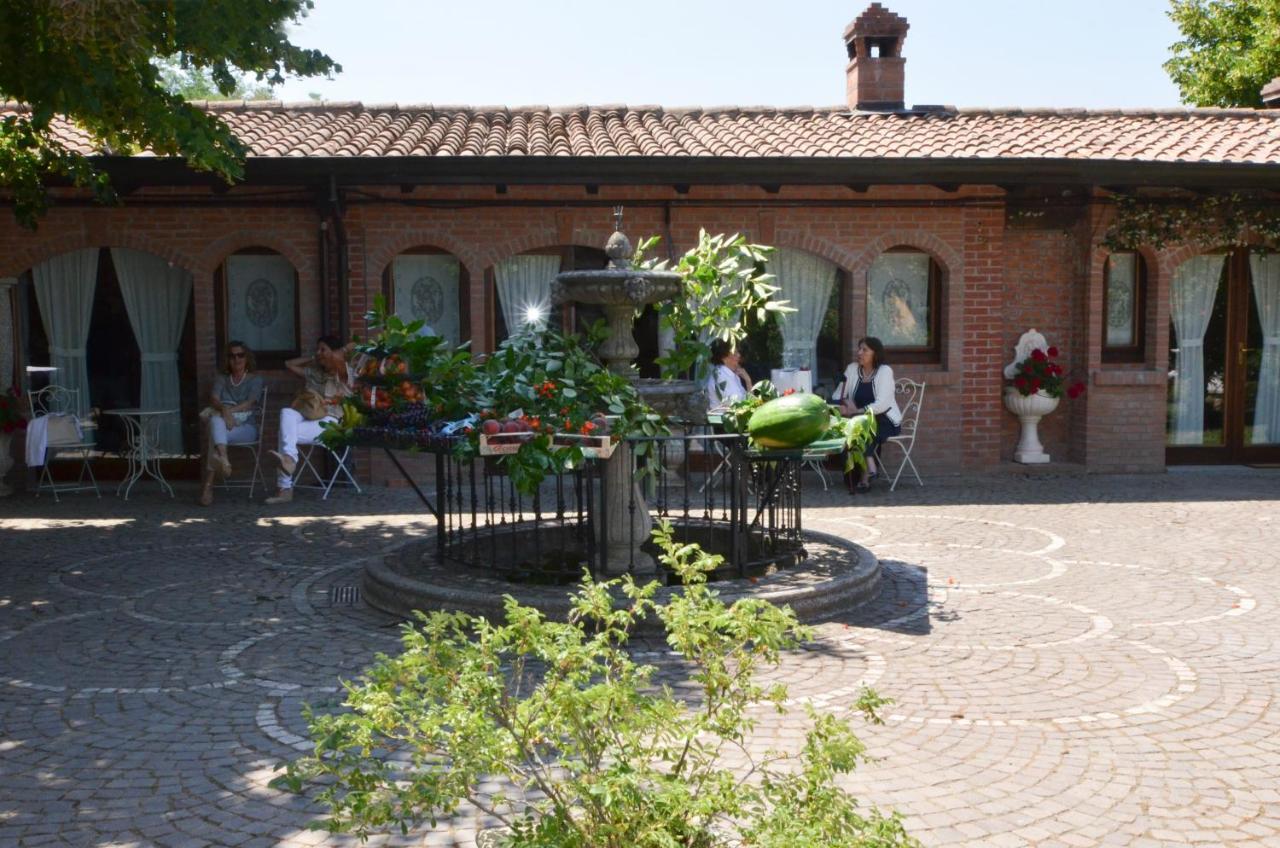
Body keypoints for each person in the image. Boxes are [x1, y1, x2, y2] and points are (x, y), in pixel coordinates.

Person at [265, 334, 356, 504]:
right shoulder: (314, 371)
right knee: (287, 413)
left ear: (334, 353)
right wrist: (315, 357)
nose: (319, 352)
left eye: (323, 349)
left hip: (330, 421)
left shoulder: (343, 372)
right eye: (318, 349)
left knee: (285, 434)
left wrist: (339, 351)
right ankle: (289, 460)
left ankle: (284, 488)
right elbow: (289, 364)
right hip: (307, 414)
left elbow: (342, 357)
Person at [198, 341, 265, 507]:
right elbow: (214, 398)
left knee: (215, 431)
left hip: (246, 428)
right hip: (223, 425)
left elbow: (250, 402)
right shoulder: (222, 378)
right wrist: (223, 411)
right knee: (216, 423)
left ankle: (208, 486)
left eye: (240, 355)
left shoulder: (255, 379)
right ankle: (224, 459)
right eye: (232, 356)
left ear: (247, 357)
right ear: (227, 360)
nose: (236, 359)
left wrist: (229, 412)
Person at [838, 337, 902, 492]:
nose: (859, 353)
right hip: (859, 420)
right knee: (860, 425)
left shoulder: (885, 372)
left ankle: (866, 475)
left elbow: (881, 405)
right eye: (859, 349)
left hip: (885, 420)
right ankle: (870, 465)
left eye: (865, 350)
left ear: (875, 353)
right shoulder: (852, 369)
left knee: (862, 426)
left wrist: (857, 411)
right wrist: (847, 403)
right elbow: (839, 393)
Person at [705, 339, 752, 411]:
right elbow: (741, 407)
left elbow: (750, 402)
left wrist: (748, 381)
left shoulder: (732, 374)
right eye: (734, 353)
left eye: (738, 352)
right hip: (722, 420)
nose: (739, 355)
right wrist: (748, 381)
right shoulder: (721, 376)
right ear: (724, 357)